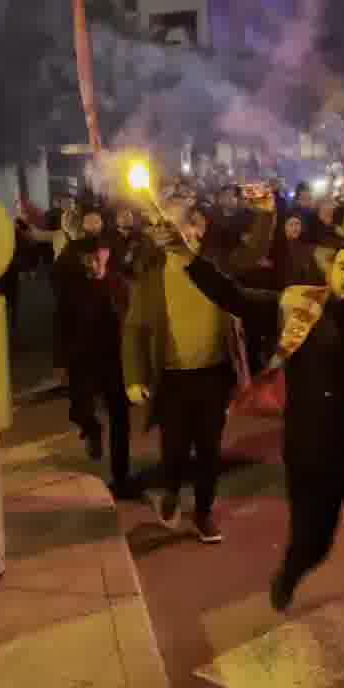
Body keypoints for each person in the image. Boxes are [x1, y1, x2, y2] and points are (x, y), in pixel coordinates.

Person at [172, 229, 344, 688]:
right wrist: (190, 259)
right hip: (314, 455)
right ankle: (290, 570)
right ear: (331, 270)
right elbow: (235, 297)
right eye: (343, 267)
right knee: (314, 541)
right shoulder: (300, 307)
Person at [122, 195, 275, 543]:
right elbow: (133, 330)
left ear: (198, 228)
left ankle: (203, 512)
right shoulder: (151, 277)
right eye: (167, 226)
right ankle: (173, 492)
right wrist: (134, 378)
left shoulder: (215, 265)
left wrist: (266, 213)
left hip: (213, 374)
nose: (174, 233)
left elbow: (253, 252)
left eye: (181, 225)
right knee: (174, 448)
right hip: (172, 379)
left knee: (209, 449)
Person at [54, 236, 134, 499]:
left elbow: (134, 321)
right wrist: (61, 362)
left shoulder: (119, 284)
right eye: (89, 256)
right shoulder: (72, 286)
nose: (96, 260)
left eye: (100, 254)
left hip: (116, 359)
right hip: (83, 358)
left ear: (108, 255)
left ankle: (121, 476)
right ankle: (91, 428)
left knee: (120, 417)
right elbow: (61, 326)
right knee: (80, 408)